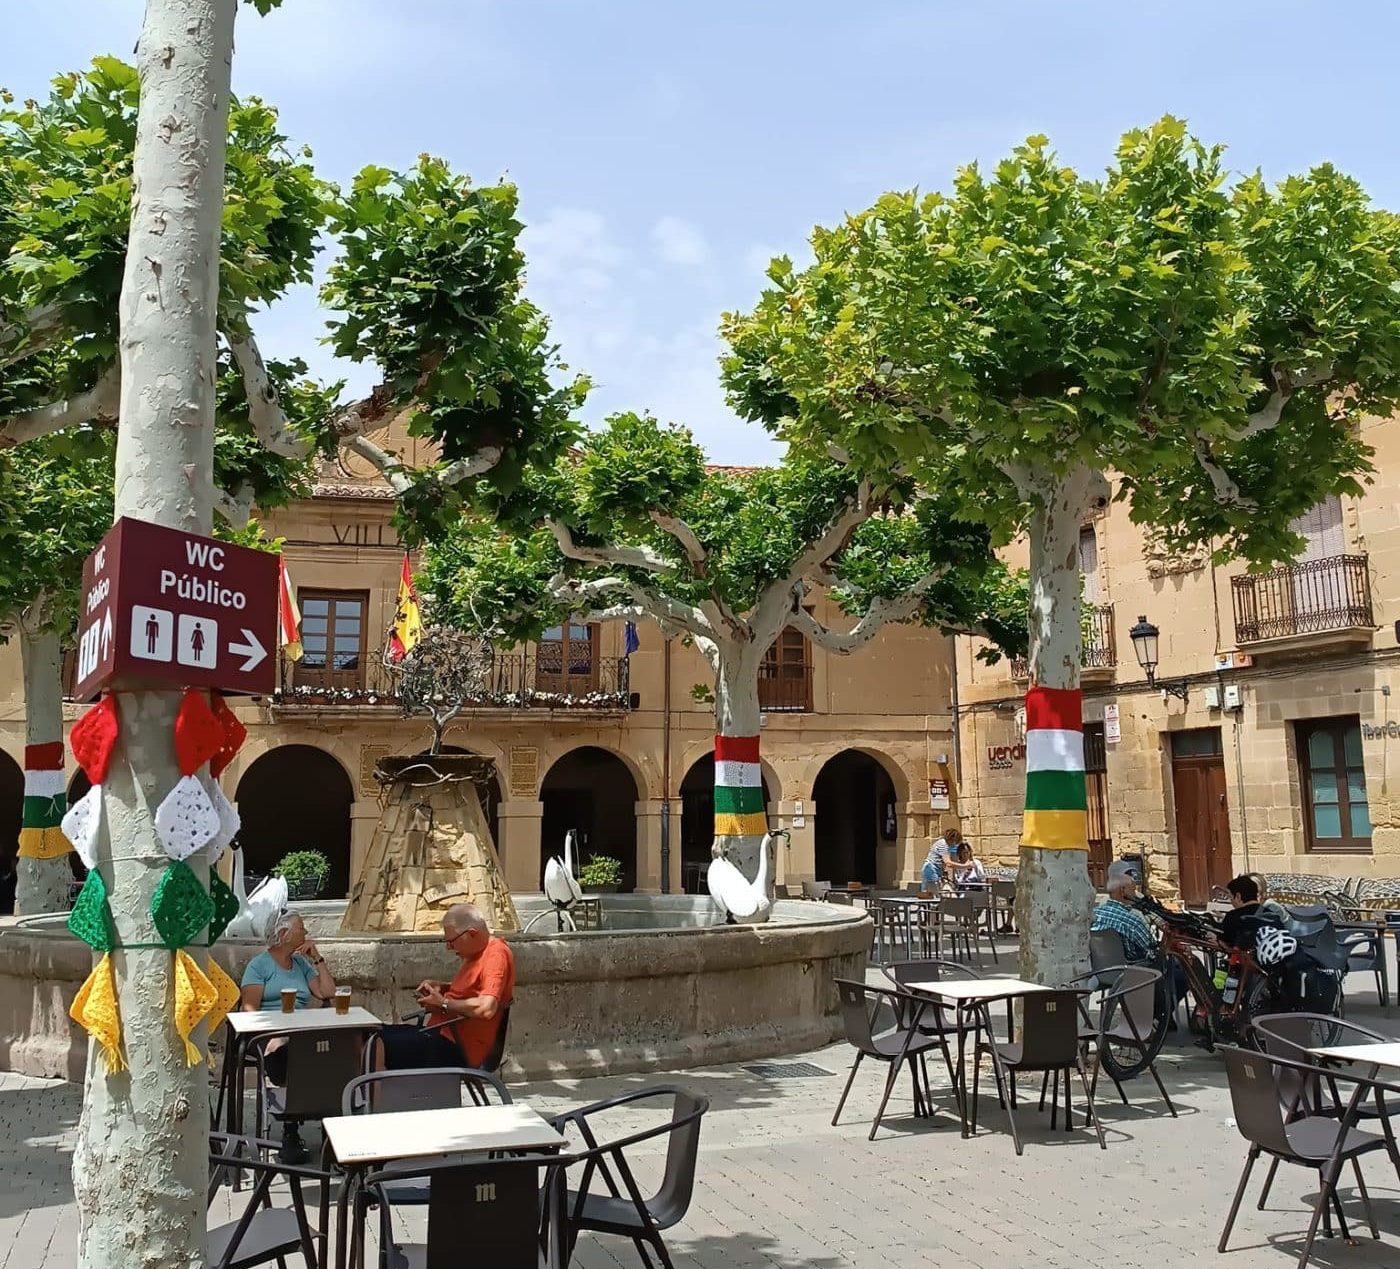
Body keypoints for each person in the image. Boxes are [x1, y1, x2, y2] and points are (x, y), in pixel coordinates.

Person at [239, 910, 337, 1162]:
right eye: (301, 928)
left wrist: (318, 958)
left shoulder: (301, 964)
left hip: (300, 1032)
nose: (306, 933)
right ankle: (290, 1129)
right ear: (284, 934)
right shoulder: (259, 966)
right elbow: (249, 1010)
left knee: (334, 1052)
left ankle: (331, 1130)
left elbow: (327, 993)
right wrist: (275, 1031)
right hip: (269, 1035)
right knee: (290, 1051)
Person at [377, 903, 515, 1072]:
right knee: (368, 1033)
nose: (448, 948)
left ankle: (372, 1089)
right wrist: (443, 987)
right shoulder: (476, 954)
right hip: (440, 1035)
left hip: (457, 1048)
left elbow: (487, 1007)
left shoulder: (496, 955)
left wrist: (443, 1003)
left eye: (451, 942)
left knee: (376, 1045)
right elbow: (474, 991)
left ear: (472, 934)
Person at [1090, 872, 1155, 963]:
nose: (1135, 895)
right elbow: (1151, 951)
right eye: (1133, 890)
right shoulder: (1132, 921)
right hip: (1131, 968)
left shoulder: (1093, 914)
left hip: (1099, 967)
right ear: (1123, 891)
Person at [1218, 874, 1263, 950]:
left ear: (1238, 896)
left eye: (1230, 897)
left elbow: (1225, 943)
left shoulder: (1233, 916)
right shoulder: (1272, 914)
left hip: (1244, 957)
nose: (1231, 902)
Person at [920, 828, 962, 893]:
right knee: (932, 893)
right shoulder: (943, 844)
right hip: (931, 869)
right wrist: (965, 865)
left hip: (936, 870)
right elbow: (948, 863)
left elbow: (954, 860)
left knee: (934, 893)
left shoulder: (948, 846)